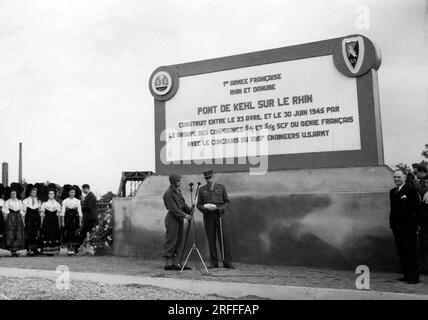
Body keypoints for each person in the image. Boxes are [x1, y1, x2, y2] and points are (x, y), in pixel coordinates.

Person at [197, 170, 234, 269]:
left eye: (210, 178)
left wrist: (221, 209)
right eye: (206, 178)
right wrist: (205, 208)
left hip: (220, 215)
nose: (208, 180)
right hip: (208, 216)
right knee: (211, 239)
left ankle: (227, 262)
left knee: (223, 238)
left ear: (213, 177)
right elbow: (198, 205)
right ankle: (214, 262)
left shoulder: (221, 187)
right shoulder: (201, 189)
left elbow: (227, 202)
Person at [390, 169, 421, 284]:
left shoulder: (411, 191)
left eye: (399, 177)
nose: (396, 179)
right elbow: (393, 211)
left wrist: (414, 225)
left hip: (409, 228)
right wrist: (393, 225)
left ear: (404, 177)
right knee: (402, 252)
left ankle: (414, 278)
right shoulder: (392, 192)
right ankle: (406, 275)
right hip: (397, 228)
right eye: (395, 177)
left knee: (411, 252)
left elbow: (416, 210)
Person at [162, 173, 193, 270]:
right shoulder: (168, 193)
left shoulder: (177, 191)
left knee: (179, 240)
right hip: (172, 219)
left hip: (179, 218)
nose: (180, 183)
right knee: (171, 240)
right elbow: (174, 209)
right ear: (173, 182)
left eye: (180, 181)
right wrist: (185, 216)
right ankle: (168, 264)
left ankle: (177, 262)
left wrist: (190, 210)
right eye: (178, 181)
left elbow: (182, 204)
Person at [2, 183, 25, 257]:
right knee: (11, 233)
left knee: (17, 233)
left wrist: (22, 218)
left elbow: (22, 210)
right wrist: (8, 215)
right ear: (10, 194)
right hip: (11, 218)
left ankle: (16, 250)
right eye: (12, 194)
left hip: (18, 218)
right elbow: (4, 210)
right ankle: (12, 250)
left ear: (16, 194)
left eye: (14, 194)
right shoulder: (8, 201)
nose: (13, 195)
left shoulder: (19, 201)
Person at [414, 165, 428, 273]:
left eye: (417, 172)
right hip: (423, 221)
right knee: (423, 245)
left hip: (424, 221)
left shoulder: (421, 184)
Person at [61, 186, 83, 256]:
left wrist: (80, 222)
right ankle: (68, 249)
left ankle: (73, 249)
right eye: (71, 192)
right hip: (67, 217)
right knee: (68, 233)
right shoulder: (65, 201)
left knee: (74, 233)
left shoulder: (77, 201)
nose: (72, 193)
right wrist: (62, 221)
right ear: (68, 193)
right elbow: (63, 212)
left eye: (73, 192)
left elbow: (79, 212)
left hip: (75, 218)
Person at [40, 187, 62, 256]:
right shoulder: (44, 204)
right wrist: (41, 224)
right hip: (47, 220)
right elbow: (42, 215)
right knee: (47, 233)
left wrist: (59, 224)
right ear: (48, 195)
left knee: (54, 233)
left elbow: (58, 215)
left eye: (53, 194)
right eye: (50, 194)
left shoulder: (57, 204)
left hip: (54, 221)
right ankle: (46, 251)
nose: (52, 195)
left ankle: (54, 250)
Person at [23, 184, 42, 256]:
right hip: (29, 217)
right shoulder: (25, 201)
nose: (35, 193)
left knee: (36, 232)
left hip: (36, 217)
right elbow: (24, 212)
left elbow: (40, 211)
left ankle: (35, 249)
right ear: (30, 192)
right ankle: (29, 249)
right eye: (33, 192)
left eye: (35, 192)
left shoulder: (39, 200)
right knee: (29, 233)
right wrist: (24, 221)